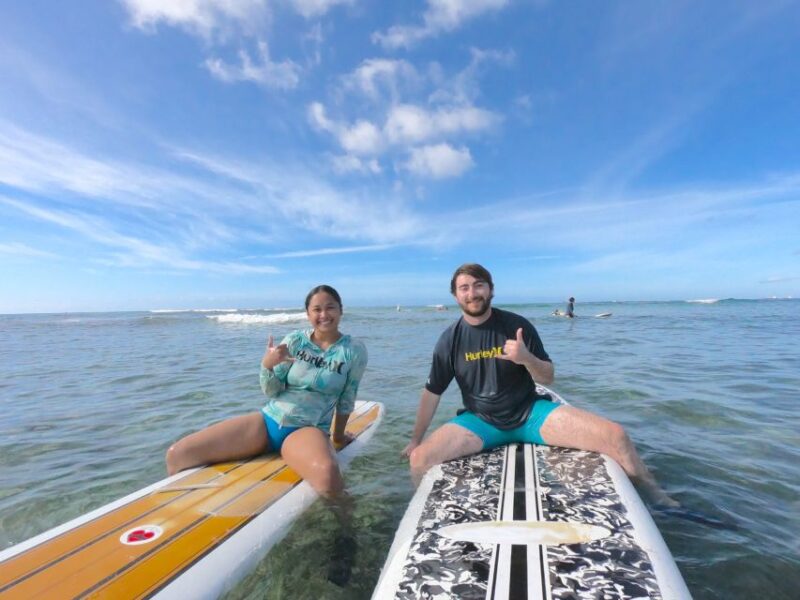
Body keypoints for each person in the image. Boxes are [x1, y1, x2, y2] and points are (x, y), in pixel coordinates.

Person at [403, 263, 677, 507]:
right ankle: (424, 511)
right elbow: (432, 392)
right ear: (455, 295)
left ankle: (657, 496)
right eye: (464, 288)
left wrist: (526, 358)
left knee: (616, 436)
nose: (472, 293)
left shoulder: (517, 326)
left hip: (531, 415)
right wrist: (416, 440)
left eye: (479, 285)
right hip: (480, 422)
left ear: (491, 290)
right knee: (419, 459)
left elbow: (547, 377)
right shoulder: (449, 340)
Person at [165, 284, 368, 585]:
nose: (323, 314)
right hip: (268, 420)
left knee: (328, 475)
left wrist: (337, 437)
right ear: (308, 313)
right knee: (179, 454)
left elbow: (347, 397)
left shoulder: (353, 350)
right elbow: (272, 390)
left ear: (341, 310)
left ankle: (347, 535)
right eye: (316, 309)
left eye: (330, 307)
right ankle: (180, 529)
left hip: (306, 430)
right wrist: (267, 365)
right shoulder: (294, 341)